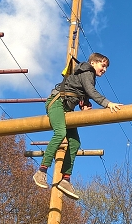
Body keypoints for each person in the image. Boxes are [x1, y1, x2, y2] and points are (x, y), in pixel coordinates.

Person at [33, 52, 121, 199]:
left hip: (67, 108)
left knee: (74, 142)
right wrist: (107, 103)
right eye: (103, 65)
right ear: (93, 63)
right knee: (60, 133)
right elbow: (90, 91)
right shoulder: (87, 70)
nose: (104, 69)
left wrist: (84, 104)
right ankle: (41, 171)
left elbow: (82, 92)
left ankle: (65, 179)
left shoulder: (87, 75)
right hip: (57, 103)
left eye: (106, 67)